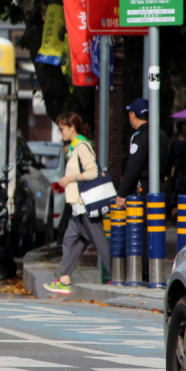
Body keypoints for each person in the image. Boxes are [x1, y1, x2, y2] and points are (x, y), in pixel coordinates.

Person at [43, 113, 111, 295]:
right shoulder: (74, 147)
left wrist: (70, 178)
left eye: (62, 128)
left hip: (86, 206)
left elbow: (93, 172)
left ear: (72, 127)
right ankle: (64, 279)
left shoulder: (81, 146)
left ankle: (117, 276)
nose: (60, 132)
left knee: (100, 243)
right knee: (69, 240)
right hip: (78, 207)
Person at [115, 98, 169, 207]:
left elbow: (134, 167)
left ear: (133, 115)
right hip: (160, 186)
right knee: (156, 221)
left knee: (141, 222)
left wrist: (122, 193)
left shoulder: (139, 136)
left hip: (143, 187)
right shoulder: (162, 134)